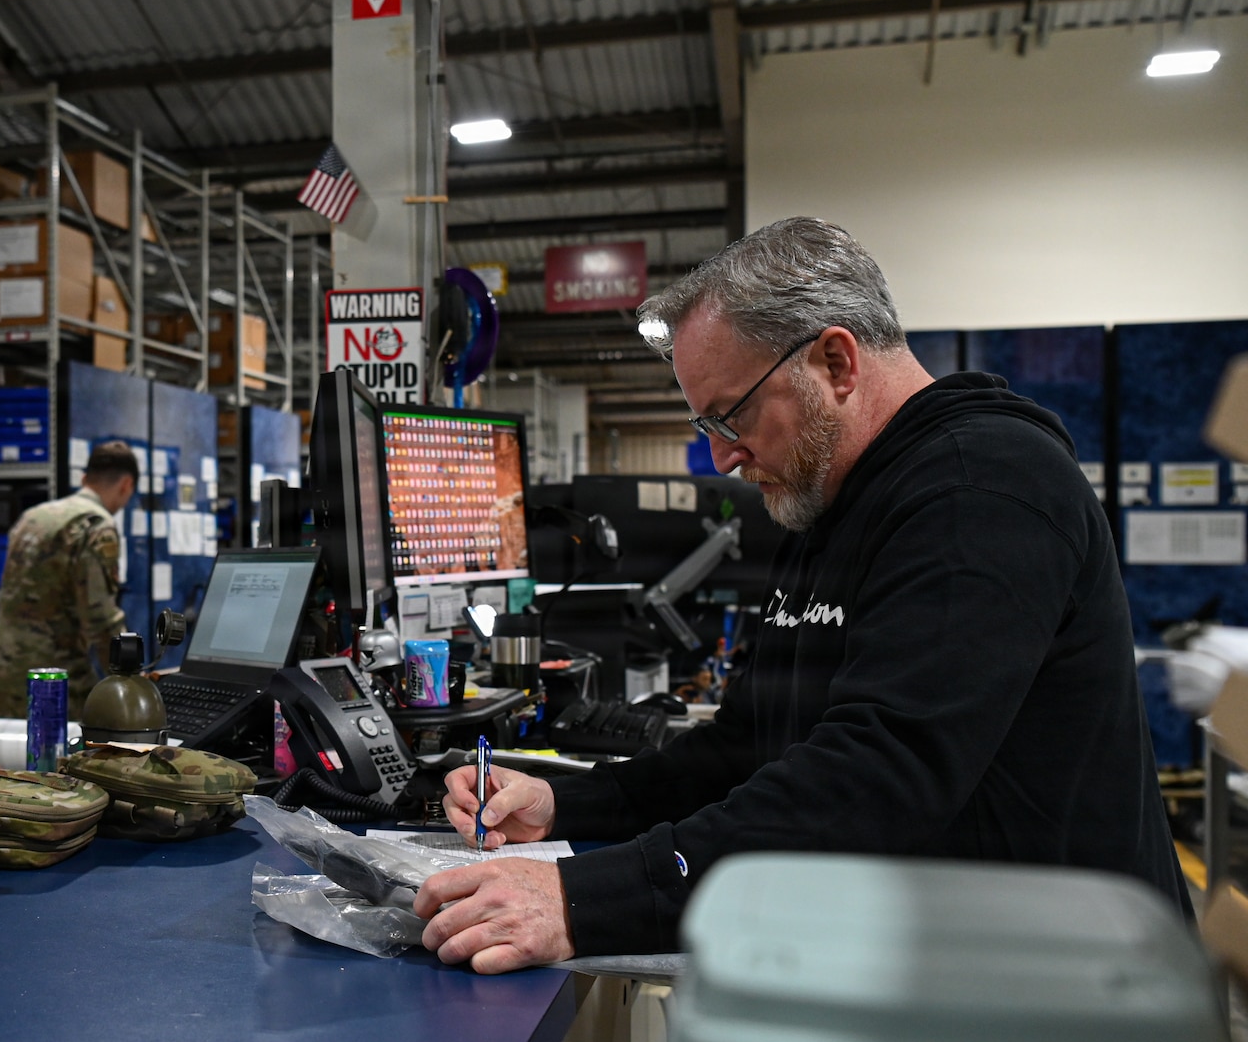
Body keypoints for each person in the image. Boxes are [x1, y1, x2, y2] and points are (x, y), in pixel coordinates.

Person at [416, 217, 1187, 972]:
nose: (721, 455)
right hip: (940, 983)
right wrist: (566, 805)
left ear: (836, 362)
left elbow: (878, 778)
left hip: (1066, 1003)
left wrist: (579, 900)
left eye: (732, 413)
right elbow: (746, 747)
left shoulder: (980, 486)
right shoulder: (829, 504)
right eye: (704, 421)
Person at [0, 444, 139, 717]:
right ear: (126, 485)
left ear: (84, 479)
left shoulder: (34, 516)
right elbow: (101, 619)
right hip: (53, 680)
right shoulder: (96, 526)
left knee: (8, 757)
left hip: (3, 670)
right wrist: (130, 686)